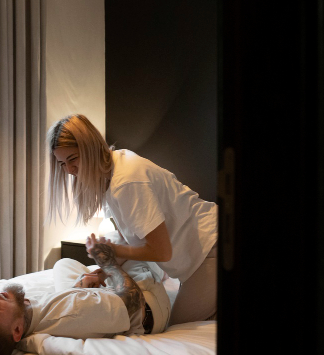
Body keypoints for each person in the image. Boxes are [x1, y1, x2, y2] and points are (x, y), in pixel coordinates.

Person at [46, 114, 218, 326]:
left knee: (177, 329)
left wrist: (112, 251)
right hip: (194, 257)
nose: (69, 171)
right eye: (62, 164)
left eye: (72, 159)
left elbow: (162, 252)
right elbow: (130, 239)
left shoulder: (127, 181)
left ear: (90, 147)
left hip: (210, 248)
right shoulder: (110, 175)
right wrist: (102, 273)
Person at [0, 239, 170, 355]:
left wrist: (80, 287)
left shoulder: (25, 317)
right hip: (149, 306)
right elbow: (132, 300)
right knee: (132, 245)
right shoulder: (72, 312)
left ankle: (93, 279)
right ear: (17, 330)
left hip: (98, 303)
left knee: (62, 264)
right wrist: (108, 263)